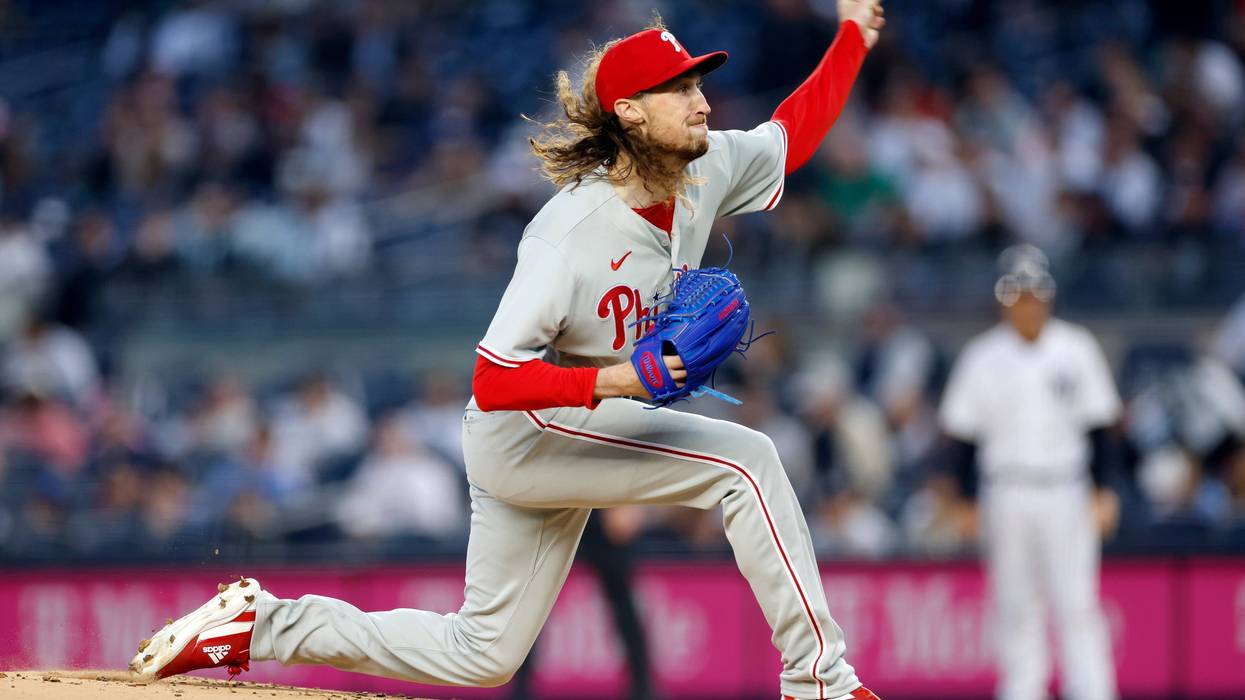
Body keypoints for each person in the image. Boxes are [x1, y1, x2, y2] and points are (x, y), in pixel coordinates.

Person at [130, 3, 887, 699]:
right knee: (745, 460)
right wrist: (620, 377)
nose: (701, 100)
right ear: (628, 112)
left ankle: (256, 624)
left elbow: (793, 133)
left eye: (697, 82)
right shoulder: (567, 233)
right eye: (677, 88)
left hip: (576, 429)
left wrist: (850, 33)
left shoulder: (706, 166)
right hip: (526, 429)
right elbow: (491, 379)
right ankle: (818, 680)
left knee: (482, 653)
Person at [938, 246, 1120, 700]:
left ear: (1049, 296)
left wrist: (1104, 490)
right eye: (1017, 295)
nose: (1026, 303)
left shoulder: (1076, 347)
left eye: (1034, 294)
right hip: (1007, 488)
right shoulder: (982, 356)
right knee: (1015, 605)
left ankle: (1092, 690)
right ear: (1003, 300)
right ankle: (1022, 690)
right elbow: (963, 436)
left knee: (1076, 602)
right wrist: (965, 500)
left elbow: (1099, 425)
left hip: (1067, 488)